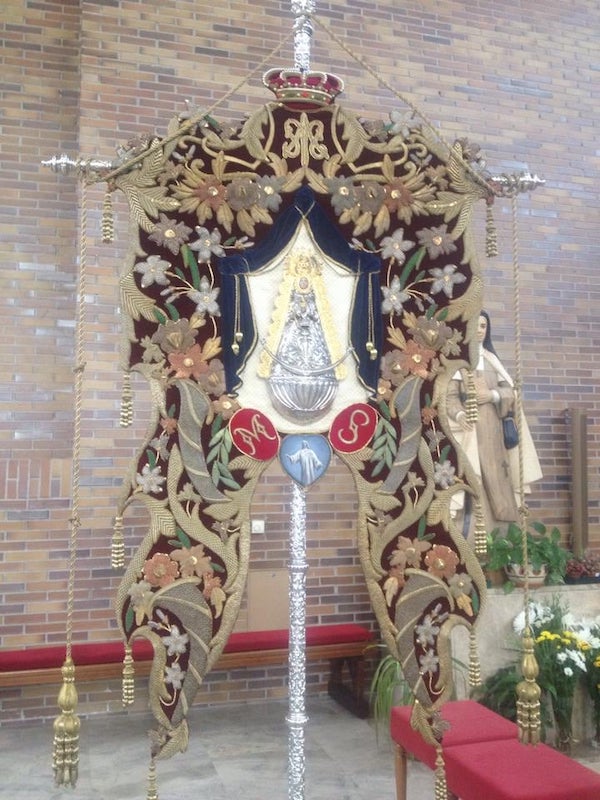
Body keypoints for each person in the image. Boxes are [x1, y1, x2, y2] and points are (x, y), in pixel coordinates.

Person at [447, 311, 542, 536]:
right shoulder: (459, 361)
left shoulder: (491, 359)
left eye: (484, 326)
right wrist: (459, 416)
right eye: (476, 325)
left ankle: (501, 537)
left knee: (498, 479)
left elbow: (510, 392)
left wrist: (492, 395)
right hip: (470, 433)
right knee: (473, 480)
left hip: (493, 433)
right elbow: (449, 397)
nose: (480, 330)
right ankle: (470, 538)